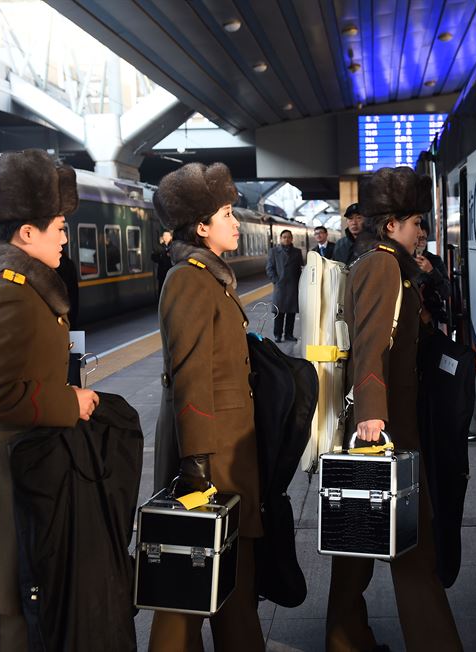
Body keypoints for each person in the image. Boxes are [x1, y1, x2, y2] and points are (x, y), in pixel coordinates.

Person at [0, 149, 99, 650]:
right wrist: (70, 402)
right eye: (59, 226)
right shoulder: (10, 293)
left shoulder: (3, 282)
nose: (65, 237)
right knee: (23, 606)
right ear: (26, 234)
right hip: (8, 467)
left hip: (16, 461)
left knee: (30, 599)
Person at [326, 166, 462, 652]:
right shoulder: (382, 265)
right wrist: (372, 415)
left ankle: (345, 637)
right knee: (413, 548)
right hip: (386, 427)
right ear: (391, 226)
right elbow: (369, 345)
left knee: (356, 542)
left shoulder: (387, 264)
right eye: (415, 222)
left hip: (386, 421)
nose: (422, 231)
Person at [149, 162, 264, 652]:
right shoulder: (189, 280)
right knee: (192, 580)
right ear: (201, 226)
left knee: (224, 574)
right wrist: (196, 468)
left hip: (222, 448)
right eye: (226, 213)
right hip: (209, 455)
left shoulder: (209, 277)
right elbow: (191, 376)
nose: (235, 222)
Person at [266, 229, 302, 343]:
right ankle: (277, 335)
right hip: (280, 287)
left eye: (288, 237)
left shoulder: (297, 252)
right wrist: (276, 280)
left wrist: (300, 283)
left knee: (291, 313)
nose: (286, 239)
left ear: (292, 239)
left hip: (293, 286)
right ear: (280, 239)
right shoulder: (274, 251)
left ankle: (289, 335)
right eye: (284, 237)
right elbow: (269, 268)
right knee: (279, 312)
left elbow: (299, 269)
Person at [415, 221, 450, 327]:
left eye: (424, 239)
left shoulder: (434, 261)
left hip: (429, 322)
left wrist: (431, 271)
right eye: (418, 238)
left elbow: (446, 292)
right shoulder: (401, 260)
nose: (420, 243)